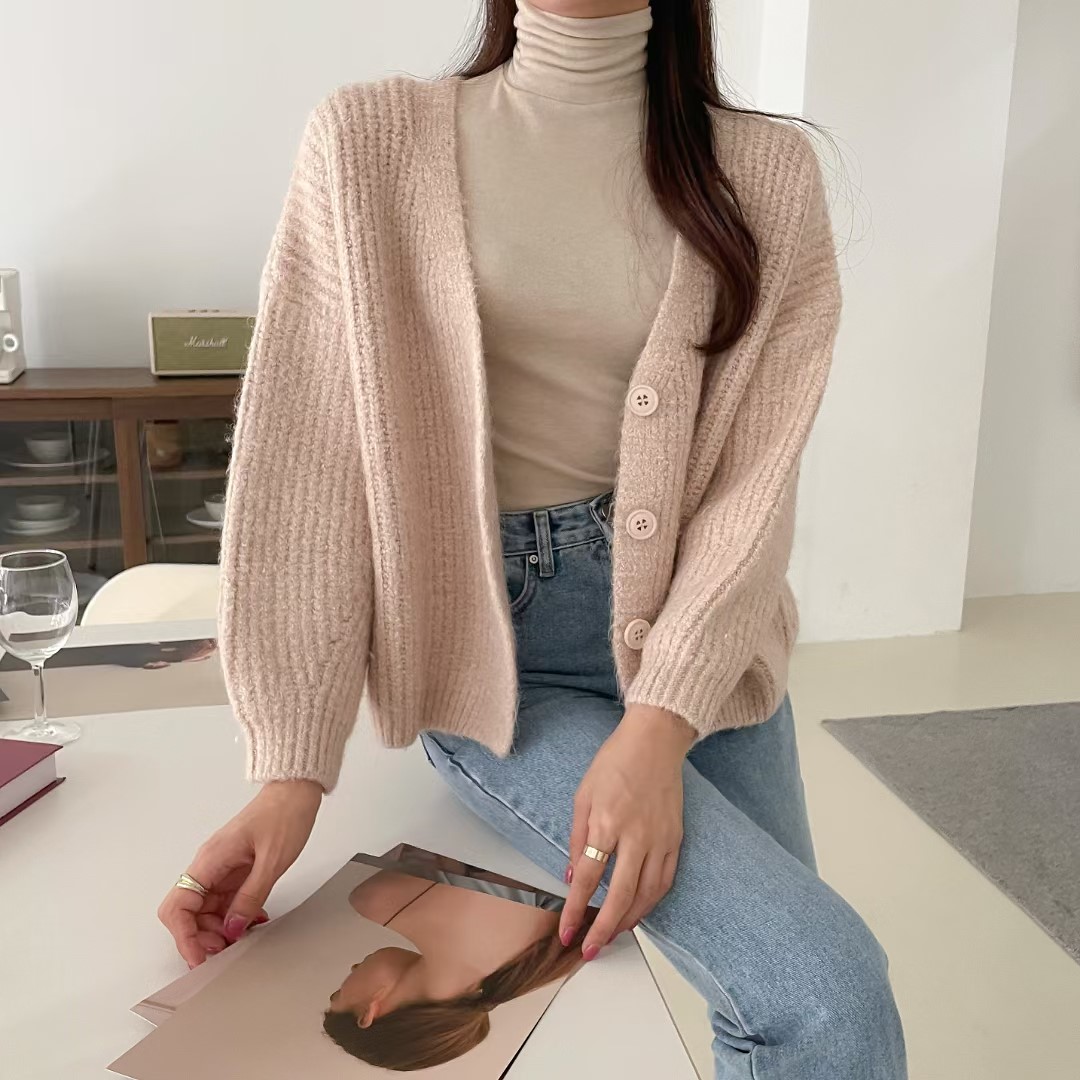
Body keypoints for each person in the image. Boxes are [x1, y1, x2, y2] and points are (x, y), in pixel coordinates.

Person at [158, 2, 907, 1076]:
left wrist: (661, 721)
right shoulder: (367, 141)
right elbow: (308, 463)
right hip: (503, 671)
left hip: (709, 643)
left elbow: (756, 479)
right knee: (823, 987)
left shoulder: (767, 172)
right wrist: (291, 769)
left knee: (797, 993)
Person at [324, 868, 587, 1070]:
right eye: (338, 994)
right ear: (368, 1014)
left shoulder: (534, 969)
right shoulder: (376, 900)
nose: (353, 967)